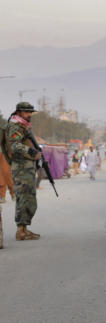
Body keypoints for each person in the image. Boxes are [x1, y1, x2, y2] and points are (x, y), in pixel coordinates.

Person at [5, 102, 43, 241]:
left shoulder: (23, 126)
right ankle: (20, 231)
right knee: (24, 198)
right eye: (27, 112)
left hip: (26, 167)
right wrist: (32, 152)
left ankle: (24, 229)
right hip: (21, 167)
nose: (29, 115)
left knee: (28, 198)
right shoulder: (15, 125)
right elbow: (15, 146)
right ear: (19, 112)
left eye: (30, 112)